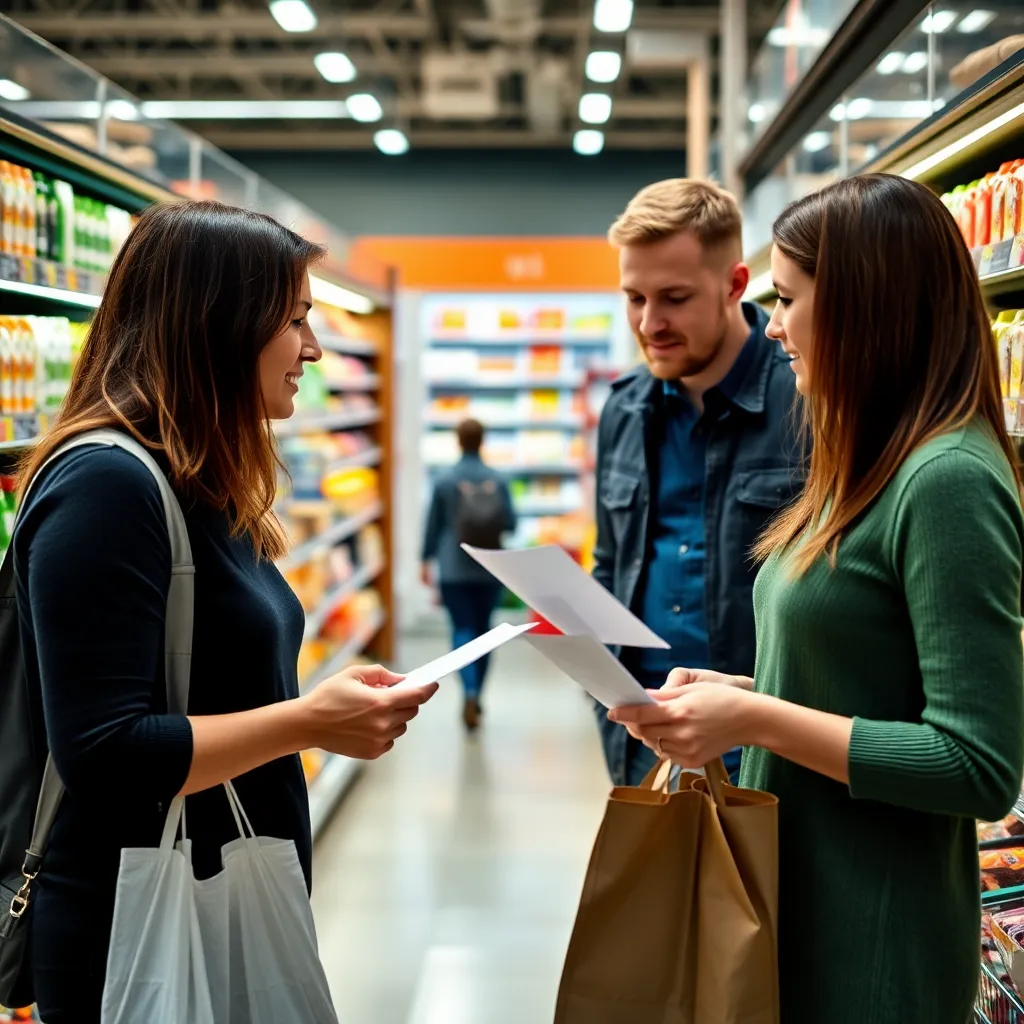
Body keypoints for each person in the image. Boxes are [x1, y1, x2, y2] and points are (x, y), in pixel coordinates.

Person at [610, 173, 1024, 1022]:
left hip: (870, 933)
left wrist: (757, 723)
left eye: (789, 300)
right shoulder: (869, 459)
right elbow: (869, 688)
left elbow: (976, 765)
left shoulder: (945, 480)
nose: (775, 328)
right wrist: (748, 695)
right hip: (800, 892)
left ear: (864, 308)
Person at [14, 201, 438, 1023]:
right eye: (295, 319)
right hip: (134, 929)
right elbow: (105, 754)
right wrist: (310, 721)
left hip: (216, 896)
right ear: (219, 324)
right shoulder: (106, 488)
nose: (313, 347)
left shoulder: (199, 480)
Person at [593, 178, 805, 787]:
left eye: (675, 298)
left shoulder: (807, 401)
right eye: (634, 298)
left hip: (767, 751)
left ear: (736, 285)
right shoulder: (623, 410)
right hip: (641, 744)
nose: (649, 323)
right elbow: (612, 563)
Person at [421, 417, 516, 731]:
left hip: (453, 566)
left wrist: (425, 560)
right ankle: (480, 694)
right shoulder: (497, 479)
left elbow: (433, 526)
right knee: (485, 632)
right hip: (490, 566)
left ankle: (470, 691)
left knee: (462, 629)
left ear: (458, 441)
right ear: (483, 440)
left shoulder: (445, 480)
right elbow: (511, 523)